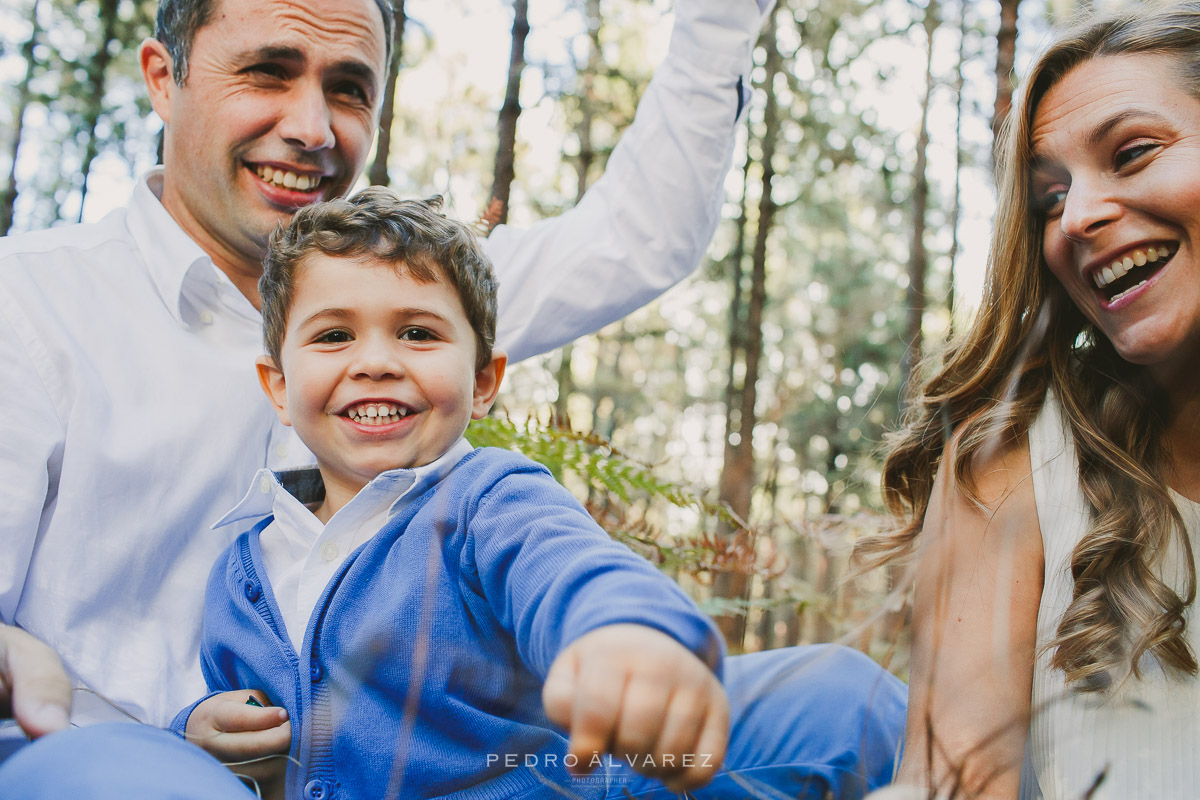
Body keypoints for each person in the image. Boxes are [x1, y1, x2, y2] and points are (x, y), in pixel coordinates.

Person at [0, 0, 905, 796]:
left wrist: (624, 639)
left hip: (473, 747)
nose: (312, 126)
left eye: (349, 88)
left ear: (481, 369)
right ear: (165, 77)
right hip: (126, 751)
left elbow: (637, 235)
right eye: (267, 73)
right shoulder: (31, 305)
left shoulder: (414, 280)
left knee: (840, 705)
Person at [171, 189, 733, 798]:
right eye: (334, 336)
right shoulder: (242, 570)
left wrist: (625, 633)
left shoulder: (490, 500)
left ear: (483, 380)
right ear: (279, 386)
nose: (376, 362)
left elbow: (569, 568)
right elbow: (226, 717)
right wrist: (196, 730)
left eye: (417, 332)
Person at [859, 3, 1200, 798]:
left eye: (1134, 152)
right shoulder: (1014, 457)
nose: (1076, 218)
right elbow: (949, 786)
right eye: (1050, 201)